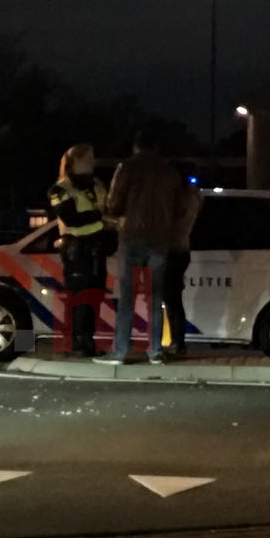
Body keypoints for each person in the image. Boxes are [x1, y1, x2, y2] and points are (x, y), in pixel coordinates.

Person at [95, 131, 188, 365]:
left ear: (136, 147)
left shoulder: (126, 168)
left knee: (127, 296)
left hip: (132, 237)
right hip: (159, 239)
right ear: (157, 148)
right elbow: (180, 208)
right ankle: (154, 350)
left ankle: (119, 351)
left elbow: (114, 205)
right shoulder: (170, 173)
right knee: (155, 298)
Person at [47, 144, 110, 357]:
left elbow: (108, 209)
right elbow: (71, 218)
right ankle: (76, 341)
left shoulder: (97, 184)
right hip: (76, 249)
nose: (93, 162)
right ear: (75, 162)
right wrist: (100, 217)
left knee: (95, 295)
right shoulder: (60, 189)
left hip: (97, 247)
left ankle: (88, 340)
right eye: (88, 158)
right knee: (79, 296)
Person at [164, 162, 203, 356]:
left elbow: (169, 221)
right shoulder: (195, 195)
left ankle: (177, 342)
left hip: (172, 249)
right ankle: (177, 342)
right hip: (183, 248)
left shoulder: (179, 197)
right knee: (174, 298)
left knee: (171, 299)